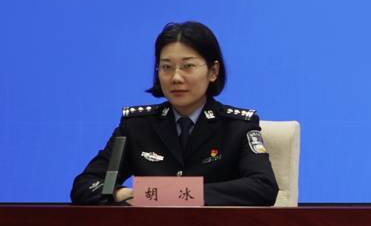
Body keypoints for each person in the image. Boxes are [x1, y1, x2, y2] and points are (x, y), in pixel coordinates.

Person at [71, 21, 279, 206]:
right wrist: (121, 193)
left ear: (213, 71)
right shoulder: (136, 127)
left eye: (188, 66)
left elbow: (263, 186)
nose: (176, 78)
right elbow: (86, 184)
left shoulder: (237, 127)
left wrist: (175, 194)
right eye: (166, 67)